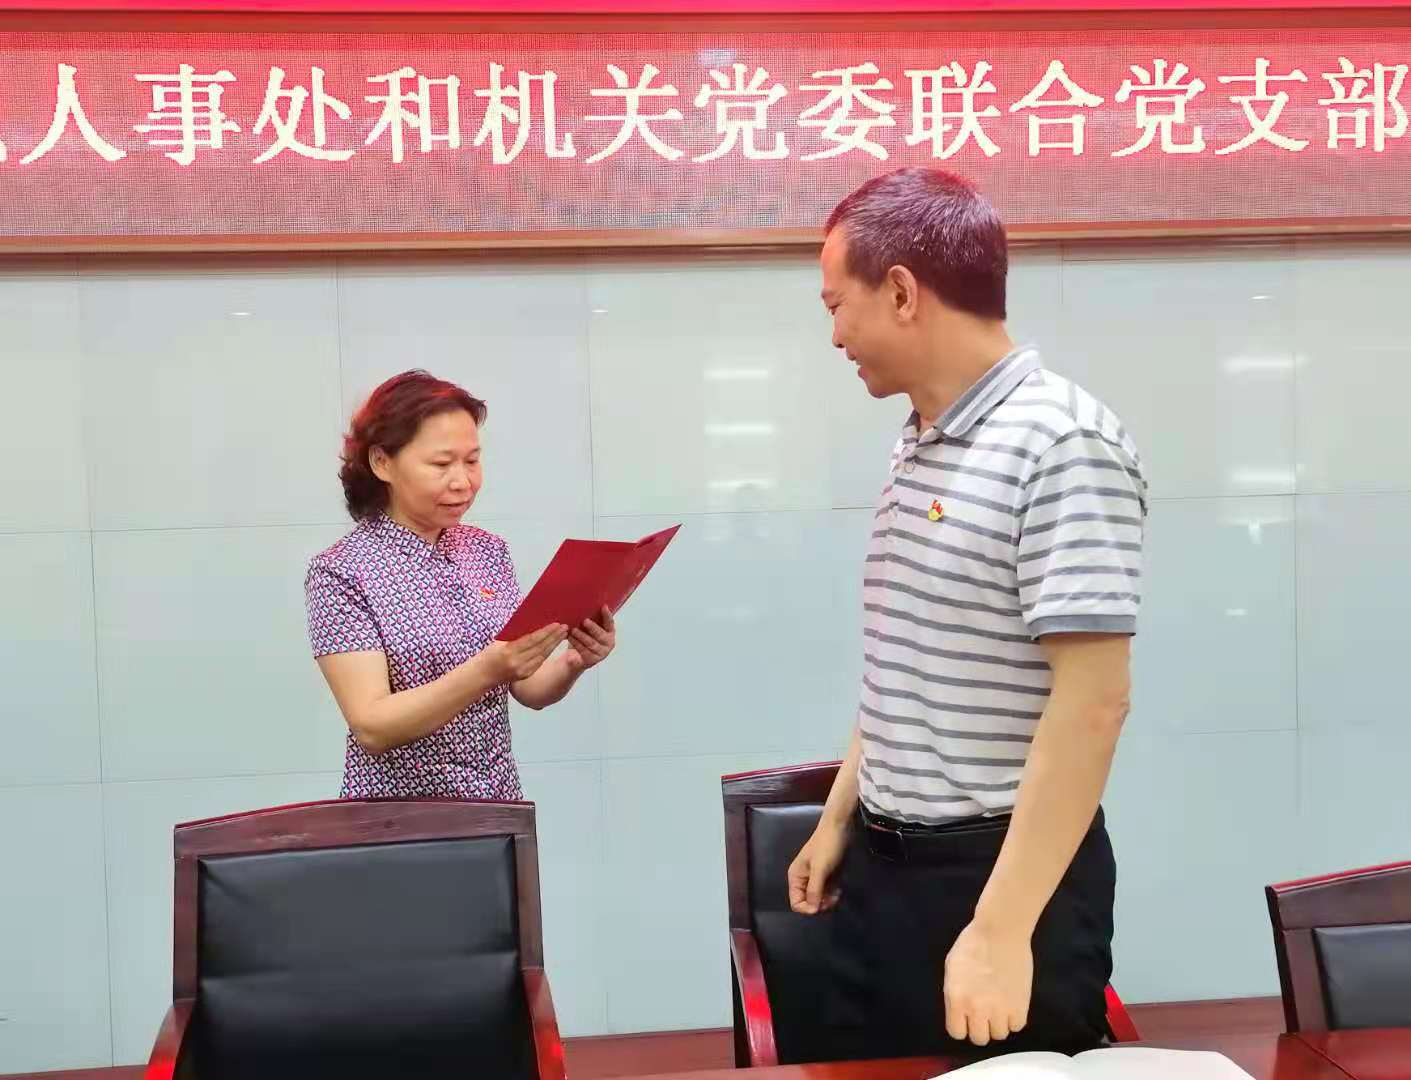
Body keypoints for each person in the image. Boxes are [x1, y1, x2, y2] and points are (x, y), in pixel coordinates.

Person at [788, 168, 1147, 1062]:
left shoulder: (1061, 441)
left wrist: (998, 930)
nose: (834, 336)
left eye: (837, 306)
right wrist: (838, 817)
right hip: (884, 871)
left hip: (997, 879)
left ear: (900, 292)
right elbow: (905, 660)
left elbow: (1093, 703)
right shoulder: (923, 436)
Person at [304, 369, 615, 800]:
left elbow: (527, 687)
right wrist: (486, 670)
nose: (463, 481)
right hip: (401, 819)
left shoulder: (487, 551)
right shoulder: (341, 572)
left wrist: (574, 661)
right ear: (381, 463)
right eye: (441, 464)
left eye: (472, 461)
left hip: (498, 805)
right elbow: (372, 726)